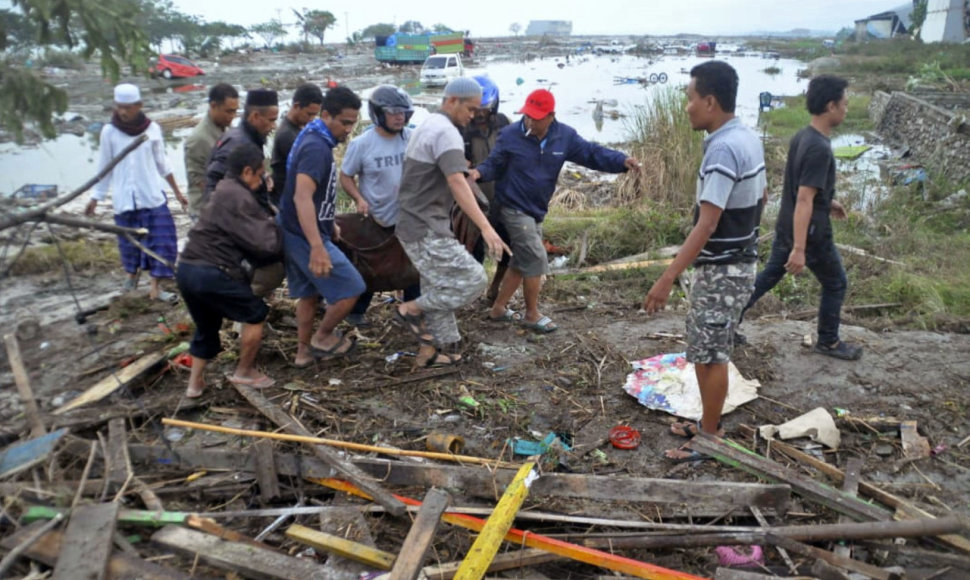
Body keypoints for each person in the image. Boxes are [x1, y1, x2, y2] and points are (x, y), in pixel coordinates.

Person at [642, 61, 766, 462]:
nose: (687, 107)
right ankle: (708, 424)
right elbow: (762, 198)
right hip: (739, 262)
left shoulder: (724, 148)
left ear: (710, 102)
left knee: (711, 355)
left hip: (722, 270)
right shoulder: (746, 136)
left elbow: (707, 223)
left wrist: (666, 279)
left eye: (690, 98)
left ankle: (709, 439)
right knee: (711, 349)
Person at [471, 89, 639, 333]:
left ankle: (498, 308)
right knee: (536, 257)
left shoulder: (564, 137)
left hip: (536, 209)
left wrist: (621, 161)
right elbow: (493, 164)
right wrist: (478, 172)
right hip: (511, 206)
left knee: (521, 261)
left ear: (551, 116)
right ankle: (531, 314)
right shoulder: (509, 135)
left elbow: (591, 153)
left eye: (537, 117)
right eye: (528, 115)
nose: (530, 121)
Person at [739, 75, 862, 361]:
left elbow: (802, 189)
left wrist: (828, 201)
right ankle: (829, 342)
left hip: (788, 223)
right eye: (845, 103)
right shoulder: (818, 147)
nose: (847, 109)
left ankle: (726, 323)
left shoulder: (802, 136)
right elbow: (804, 197)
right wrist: (799, 248)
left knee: (768, 277)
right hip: (810, 232)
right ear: (831, 106)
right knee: (836, 283)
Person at [395, 77, 510, 368]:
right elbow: (457, 181)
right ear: (451, 101)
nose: (472, 116)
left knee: (439, 283)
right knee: (473, 279)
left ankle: (436, 350)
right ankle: (410, 309)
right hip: (424, 226)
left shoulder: (430, 124)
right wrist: (486, 227)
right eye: (470, 109)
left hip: (416, 221)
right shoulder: (447, 132)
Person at [177, 142, 282, 397]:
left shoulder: (224, 188)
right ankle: (244, 372)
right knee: (255, 313)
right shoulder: (240, 196)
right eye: (260, 174)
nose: (261, 181)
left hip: (186, 270)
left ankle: (194, 385)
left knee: (206, 327)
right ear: (247, 172)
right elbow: (265, 244)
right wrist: (278, 223)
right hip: (211, 272)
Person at [278, 86, 364, 368]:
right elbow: (301, 196)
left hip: (298, 229)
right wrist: (317, 245)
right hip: (303, 235)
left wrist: (329, 223)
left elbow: (317, 196)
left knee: (308, 293)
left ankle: (303, 354)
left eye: (353, 122)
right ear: (326, 115)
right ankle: (322, 337)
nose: (349, 129)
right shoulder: (316, 148)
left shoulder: (315, 137)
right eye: (345, 122)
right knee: (352, 286)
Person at [85, 83, 187, 302]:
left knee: (162, 240)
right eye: (120, 107)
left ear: (139, 106)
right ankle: (131, 278)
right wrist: (96, 197)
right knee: (129, 243)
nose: (123, 112)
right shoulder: (109, 132)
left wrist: (177, 192)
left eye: (128, 107)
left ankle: (155, 287)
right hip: (125, 200)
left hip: (151, 196)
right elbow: (105, 167)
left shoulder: (152, 130)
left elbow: (163, 163)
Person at [338, 84, 419, 327]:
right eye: (394, 112)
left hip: (408, 217)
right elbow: (345, 176)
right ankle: (356, 312)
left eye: (403, 113)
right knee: (372, 269)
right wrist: (359, 199)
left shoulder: (411, 138)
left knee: (414, 266)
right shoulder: (362, 144)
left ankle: (410, 311)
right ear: (378, 113)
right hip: (377, 218)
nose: (399, 117)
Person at [204, 88, 282, 298]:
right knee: (271, 269)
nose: (273, 126)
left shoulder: (245, 138)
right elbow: (214, 182)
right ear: (255, 116)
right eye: (271, 120)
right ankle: (244, 309)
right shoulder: (239, 143)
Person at [460, 75, 511, 304]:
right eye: (476, 109)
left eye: (485, 109)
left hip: (503, 198)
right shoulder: (459, 129)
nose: (480, 115)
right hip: (473, 202)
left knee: (508, 249)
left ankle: (495, 289)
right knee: (473, 252)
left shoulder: (504, 124)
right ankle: (471, 292)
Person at [183, 83, 239, 219]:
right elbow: (200, 181)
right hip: (206, 212)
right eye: (228, 111)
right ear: (213, 106)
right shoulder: (198, 139)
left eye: (234, 111)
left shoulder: (226, 128)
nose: (232, 116)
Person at [270, 84, 324, 207]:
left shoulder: (299, 128)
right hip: (284, 199)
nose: (312, 119)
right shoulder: (287, 135)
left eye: (314, 115)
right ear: (296, 106)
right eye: (309, 114)